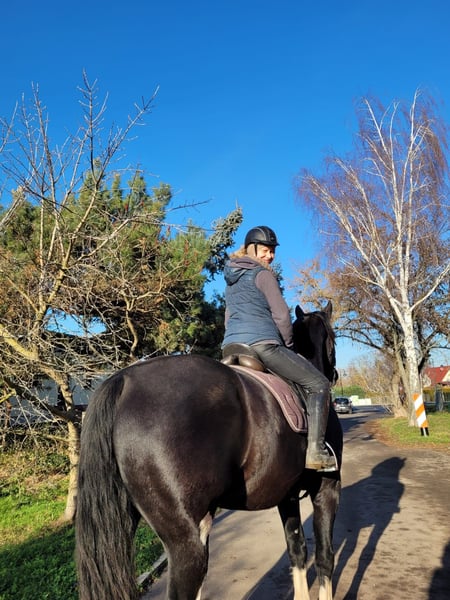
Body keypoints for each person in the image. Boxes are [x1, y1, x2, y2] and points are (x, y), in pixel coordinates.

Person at [222, 225, 336, 472]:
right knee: (319, 384)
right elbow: (282, 315)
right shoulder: (263, 275)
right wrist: (288, 346)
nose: (270, 256)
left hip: (231, 348)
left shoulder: (231, 280)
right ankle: (316, 451)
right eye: (265, 250)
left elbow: (228, 318)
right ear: (251, 249)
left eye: (272, 251)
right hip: (263, 345)